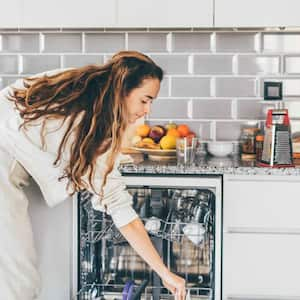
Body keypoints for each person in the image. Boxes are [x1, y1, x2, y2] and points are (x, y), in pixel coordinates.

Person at [0, 51, 186, 300]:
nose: (147, 110)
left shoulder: (77, 84)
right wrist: (164, 272)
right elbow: (123, 215)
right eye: (145, 100)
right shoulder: (91, 122)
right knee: (19, 284)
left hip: (9, 168)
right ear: (123, 89)